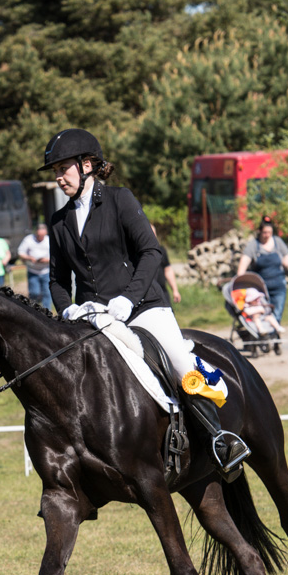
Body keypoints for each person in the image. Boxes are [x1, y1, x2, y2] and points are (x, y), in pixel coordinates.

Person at [40, 128, 249, 480]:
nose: (59, 177)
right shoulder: (59, 222)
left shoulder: (120, 199)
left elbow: (151, 252)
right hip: (92, 316)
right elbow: (57, 280)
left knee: (180, 364)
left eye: (63, 169)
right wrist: (68, 309)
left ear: (87, 165)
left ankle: (220, 440)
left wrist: (128, 297)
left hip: (142, 307)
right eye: (56, 171)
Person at [236, 216, 288, 325]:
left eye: (270, 232)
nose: (267, 235)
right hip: (261, 289)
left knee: (277, 314)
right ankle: (267, 333)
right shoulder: (253, 245)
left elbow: (287, 260)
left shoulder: (277, 242)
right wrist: (239, 280)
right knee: (264, 314)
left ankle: (274, 333)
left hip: (279, 286)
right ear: (260, 232)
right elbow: (244, 262)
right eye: (265, 232)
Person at [17, 222, 53, 310]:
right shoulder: (28, 239)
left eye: (42, 235)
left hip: (46, 271)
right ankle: (34, 310)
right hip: (33, 271)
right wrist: (29, 257)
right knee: (34, 293)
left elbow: (55, 255)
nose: (40, 237)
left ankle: (46, 311)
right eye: (38, 235)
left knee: (47, 293)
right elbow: (20, 252)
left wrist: (46, 260)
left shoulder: (49, 240)